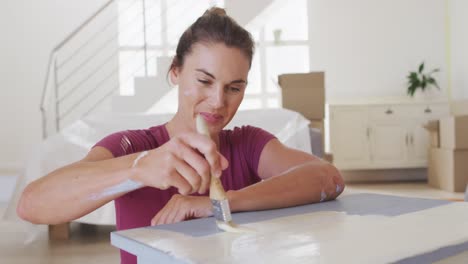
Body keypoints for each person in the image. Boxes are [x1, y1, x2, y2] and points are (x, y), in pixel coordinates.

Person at [17, 7, 344, 264]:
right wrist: (137, 168)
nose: (218, 102)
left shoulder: (247, 143)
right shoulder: (132, 146)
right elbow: (32, 205)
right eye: (204, 81)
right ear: (175, 72)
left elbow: (327, 178)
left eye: (234, 87)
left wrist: (218, 204)